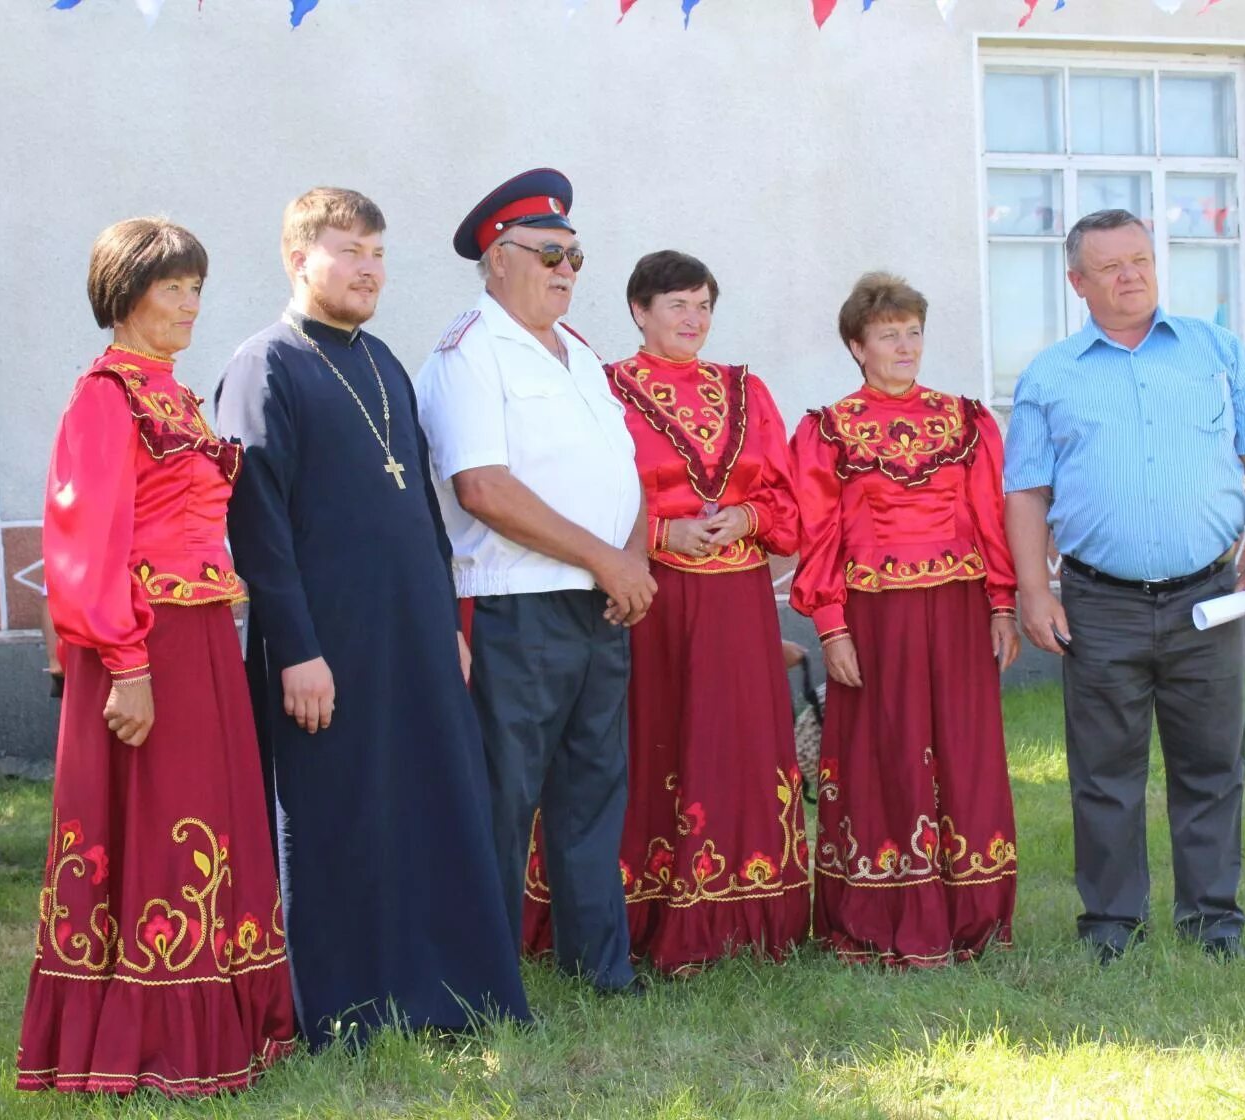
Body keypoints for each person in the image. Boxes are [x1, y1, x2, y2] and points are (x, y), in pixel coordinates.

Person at [215, 188, 528, 1044]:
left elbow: (421, 511)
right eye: (349, 250)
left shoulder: (384, 360)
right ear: (298, 258)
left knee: (428, 805)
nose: (369, 269)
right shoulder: (264, 367)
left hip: (413, 640)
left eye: (379, 253)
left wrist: (448, 630)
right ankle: (347, 1008)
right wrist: (296, 651)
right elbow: (259, 528)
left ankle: (445, 990)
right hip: (325, 648)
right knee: (340, 821)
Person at [16, 218, 295, 1095]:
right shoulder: (106, 394)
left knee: (215, 817)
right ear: (123, 294)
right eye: (171, 288)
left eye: (194, 289)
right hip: (147, 640)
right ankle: (155, 1037)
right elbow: (83, 541)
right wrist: (125, 664)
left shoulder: (172, 393)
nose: (188, 306)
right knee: (165, 824)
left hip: (207, 633)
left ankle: (231, 1016)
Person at [1003, 209, 1245, 965]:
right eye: (1110, 267)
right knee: (1104, 771)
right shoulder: (1051, 375)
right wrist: (1035, 590)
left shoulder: (1215, 352)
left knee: (1210, 764)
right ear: (1077, 282)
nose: (1130, 276)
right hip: (1100, 601)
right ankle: (1109, 924)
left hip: (1208, 596)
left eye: (1140, 259)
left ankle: (1213, 921)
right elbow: (1026, 491)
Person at [521, 251, 809, 973]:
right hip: (648, 594)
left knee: (735, 740)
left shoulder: (748, 390)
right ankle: (642, 910)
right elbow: (581, 493)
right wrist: (658, 533)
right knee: (650, 738)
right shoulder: (606, 388)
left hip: (739, 598)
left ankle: (745, 917)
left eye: (705, 305)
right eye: (678, 304)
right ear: (639, 311)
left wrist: (744, 516)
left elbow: (786, 498)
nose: (694, 319)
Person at [416, 169, 650, 994]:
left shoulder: (577, 351)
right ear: (497, 258)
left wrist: (632, 563)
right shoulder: (470, 350)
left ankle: (602, 970)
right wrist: (605, 558)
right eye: (551, 253)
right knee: (499, 801)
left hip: (598, 601)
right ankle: (476, 980)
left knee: (592, 793)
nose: (568, 270)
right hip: (516, 603)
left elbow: (623, 469)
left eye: (577, 256)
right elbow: (482, 487)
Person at [790, 272, 1022, 967]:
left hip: (957, 609)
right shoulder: (827, 431)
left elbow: (990, 518)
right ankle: (881, 910)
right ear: (857, 346)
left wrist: (1002, 603)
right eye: (889, 335)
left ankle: (970, 916)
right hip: (874, 615)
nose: (905, 346)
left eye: (913, 332)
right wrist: (830, 626)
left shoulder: (966, 419)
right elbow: (818, 533)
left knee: (963, 750)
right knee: (883, 754)